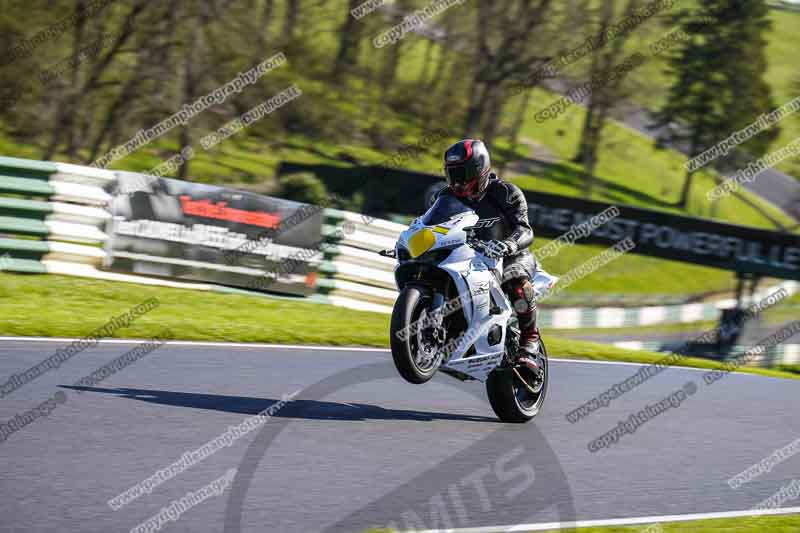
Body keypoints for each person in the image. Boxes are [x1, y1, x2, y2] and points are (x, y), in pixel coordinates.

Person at [438, 139, 541, 372]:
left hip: (508, 255)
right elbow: (430, 226)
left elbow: (525, 230)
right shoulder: (445, 198)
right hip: (467, 257)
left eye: (462, 173)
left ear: (479, 169)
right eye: (452, 173)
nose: (457, 180)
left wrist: (507, 245)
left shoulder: (506, 193)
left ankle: (529, 340)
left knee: (516, 279)